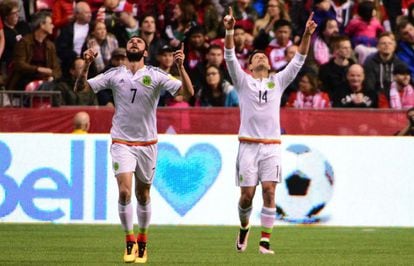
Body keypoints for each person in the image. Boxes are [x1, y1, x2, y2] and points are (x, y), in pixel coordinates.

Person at [75, 36, 194, 263]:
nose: (134, 43)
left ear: (146, 52)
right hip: (122, 141)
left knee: (143, 194)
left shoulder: (156, 74)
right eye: (131, 41)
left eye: (139, 42)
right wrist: (87, 65)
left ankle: (143, 240)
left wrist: (180, 66)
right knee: (124, 192)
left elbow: (187, 93)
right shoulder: (115, 73)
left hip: (148, 143)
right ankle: (129, 241)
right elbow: (81, 89)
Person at [223, 7, 317, 254]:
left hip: (272, 145)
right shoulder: (243, 82)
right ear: (250, 66)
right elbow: (230, 57)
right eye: (256, 58)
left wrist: (306, 34)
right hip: (248, 145)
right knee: (246, 196)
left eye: (263, 56)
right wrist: (230, 30)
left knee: (269, 190)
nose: (261, 58)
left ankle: (265, 241)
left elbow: (299, 59)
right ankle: (244, 228)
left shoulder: (278, 81)